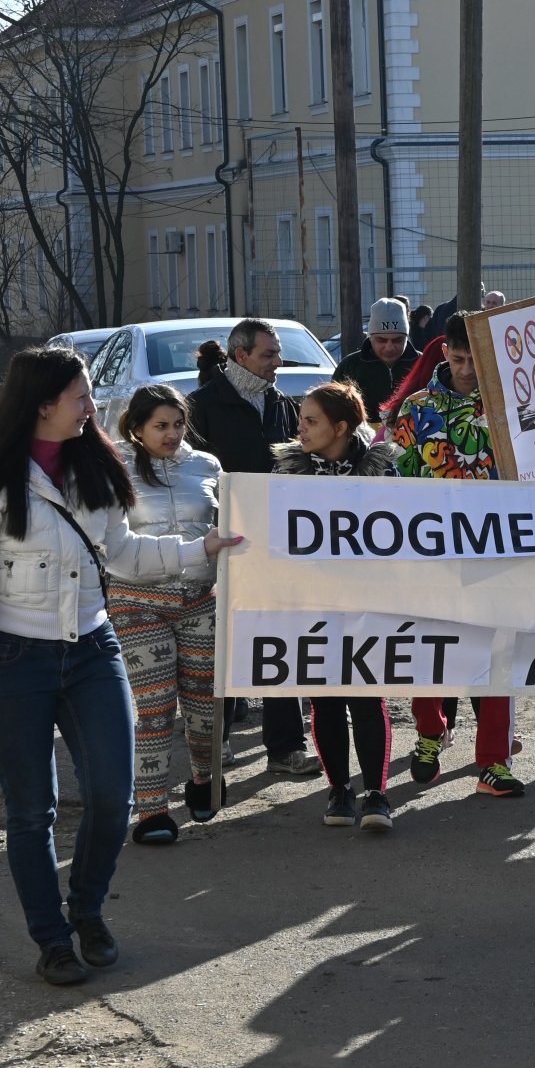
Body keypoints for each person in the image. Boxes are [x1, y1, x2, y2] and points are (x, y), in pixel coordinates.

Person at [0, 347, 241, 985]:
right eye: (80, 396)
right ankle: (52, 939)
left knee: (112, 794)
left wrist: (200, 549)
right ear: (43, 404)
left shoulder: (97, 463)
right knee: (32, 811)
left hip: (90, 650)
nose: (90, 406)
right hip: (10, 657)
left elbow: (123, 553)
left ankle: (87, 908)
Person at [386, 313, 524, 795]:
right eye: (459, 358)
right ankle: (430, 733)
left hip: (497, 548)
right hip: (432, 553)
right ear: (445, 352)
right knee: (430, 651)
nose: (467, 369)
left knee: (498, 655)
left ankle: (494, 762)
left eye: (475, 360)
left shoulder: (510, 403)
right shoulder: (416, 408)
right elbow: (398, 482)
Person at [186, 321, 320, 777]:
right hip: (223, 546)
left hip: (279, 543)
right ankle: (216, 741)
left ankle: (285, 747)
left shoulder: (283, 405)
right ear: (240, 356)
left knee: (281, 641)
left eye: (278, 353)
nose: (277, 362)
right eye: (268, 354)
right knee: (225, 643)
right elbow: (191, 479)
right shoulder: (201, 407)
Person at [272, 383, 401, 830]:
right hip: (311, 601)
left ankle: (377, 795)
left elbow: (403, 533)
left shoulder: (383, 472)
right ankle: (339, 790)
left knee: (366, 696)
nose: (301, 430)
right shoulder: (287, 474)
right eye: (301, 420)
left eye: (311, 421)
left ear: (341, 427)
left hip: (368, 601)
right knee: (325, 698)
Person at [109, 384, 223, 845]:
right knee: (156, 707)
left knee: (205, 705)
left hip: (200, 597)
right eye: (160, 426)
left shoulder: (208, 465)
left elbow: (228, 524)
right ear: (136, 428)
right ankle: (152, 810)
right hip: (137, 600)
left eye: (178, 424)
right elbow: (108, 539)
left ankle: (203, 779)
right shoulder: (113, 467)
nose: (172, 434)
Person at [332, 296, 419, 423]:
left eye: (397, 340)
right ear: (370, 337)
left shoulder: (424, 364)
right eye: (381, 340)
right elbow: (333, 411)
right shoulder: (349, 366)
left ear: (407, 337)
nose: (389, 347)